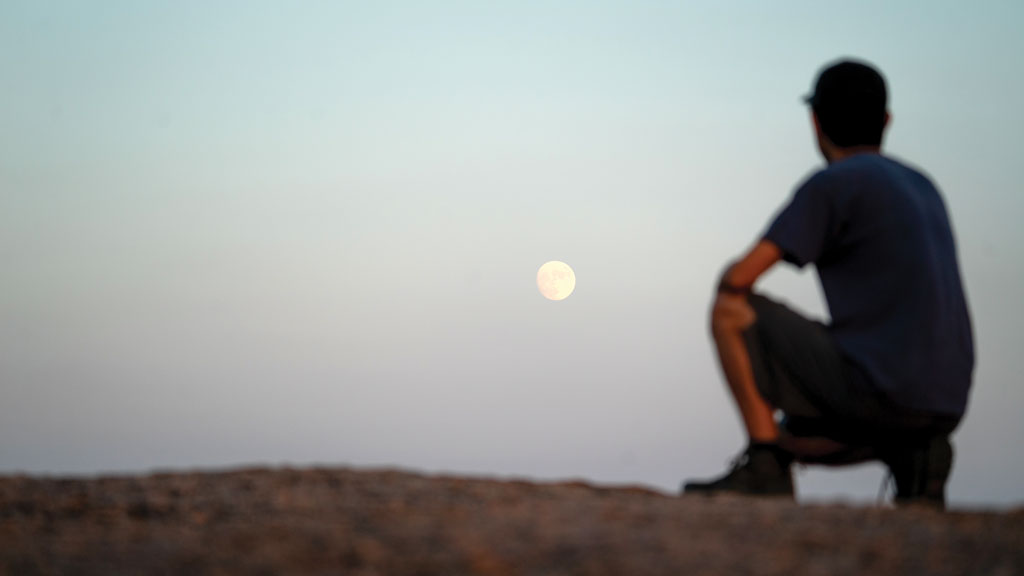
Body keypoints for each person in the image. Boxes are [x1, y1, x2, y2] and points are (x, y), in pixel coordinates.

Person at [682, 59, 974, 507]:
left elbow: (741, 278)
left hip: (880, 390)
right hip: (944, 402)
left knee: (731, 311)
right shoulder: (924, 185)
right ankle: (917, 454)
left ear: (815, 122)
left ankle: (765, 467)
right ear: (886, 121)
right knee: (796, 431)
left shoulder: (834, 183)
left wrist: (725, 275)